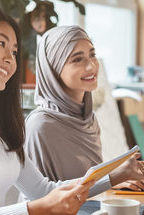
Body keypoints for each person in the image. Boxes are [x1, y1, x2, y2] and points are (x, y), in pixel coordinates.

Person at [0, 5, 95, 215]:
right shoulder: (42, 124)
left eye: (14, 51)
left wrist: (114, 177)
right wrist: (35, 210)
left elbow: (43, 190)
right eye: (0, 43)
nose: (10, 58)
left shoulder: (0, 125)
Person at [24, 25, 144, 191]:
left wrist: (111, 183)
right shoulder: (41, 126)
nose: (91, 67)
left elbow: (88, 180)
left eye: (92, 55)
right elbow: (41, 195)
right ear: (53, 68)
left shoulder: (89, 118)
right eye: (77, 59)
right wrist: (112, 178)